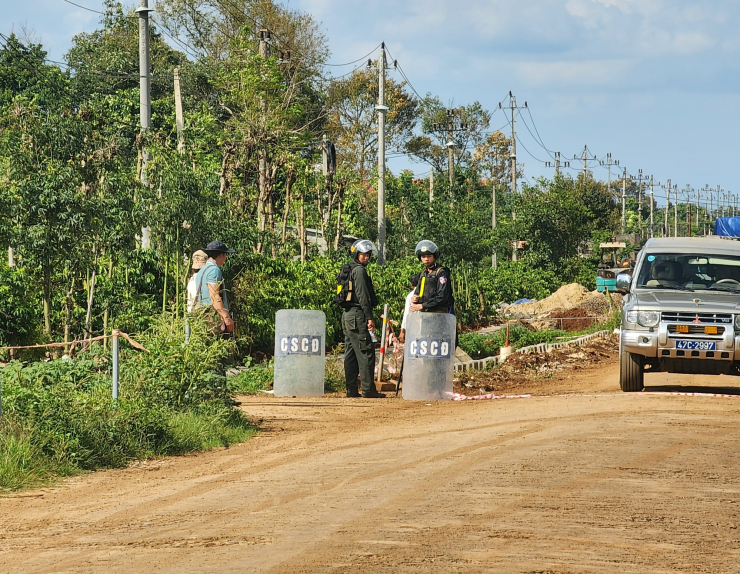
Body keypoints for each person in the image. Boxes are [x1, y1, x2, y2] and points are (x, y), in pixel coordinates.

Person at [343, 239, 385, 398]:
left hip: (347, 316)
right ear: (356, 254)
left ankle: (351, 390)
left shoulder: (349, 269)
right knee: (366, 351)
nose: (366, 258)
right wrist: (369, 317)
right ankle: (368, 390)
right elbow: (362, 296)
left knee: (351, 353)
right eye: (363, 255)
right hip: (358, 316)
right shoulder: (359, 271)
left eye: (368, 255)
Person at [194, 240, 235, 333]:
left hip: (202, 315)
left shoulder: (202, 271)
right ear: (221, 255)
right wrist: (226, 317)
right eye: (225, 255)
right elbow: (214, 296)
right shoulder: (214, 270)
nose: (225, 258)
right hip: (213, 317)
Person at [410, 240, 454, 314]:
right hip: (424, 312)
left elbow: (442, 296)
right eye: (423, 256)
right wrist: (415, 298)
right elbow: (417, 292)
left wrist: (423, 305)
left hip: (439, 312)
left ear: (434, 257)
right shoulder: (424, 274)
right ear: (420, 258)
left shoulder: (441, 272)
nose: (426, 259)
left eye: (429, 256)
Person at [398, 273, 420, 344]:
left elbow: (406, 314)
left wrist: (402, 330)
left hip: (413, 326)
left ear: (411, 284)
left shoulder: (410, 296)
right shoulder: (426, 293)